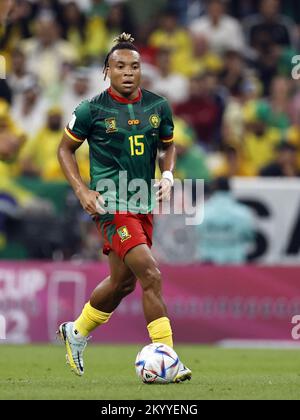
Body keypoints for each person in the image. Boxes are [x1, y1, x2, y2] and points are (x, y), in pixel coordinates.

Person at [57, 33, 192, 382]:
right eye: (120, 66)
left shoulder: (158, 106)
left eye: (134, 66)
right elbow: (64, 150)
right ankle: (168, 357)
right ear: (107, 71)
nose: (128, 72)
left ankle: (77, 331)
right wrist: (82, 191)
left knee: (122, 283)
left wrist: (168, 174)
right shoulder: (91, 109)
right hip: (110, 205)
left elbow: (168, 145)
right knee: (151, 274)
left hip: (142, 202)